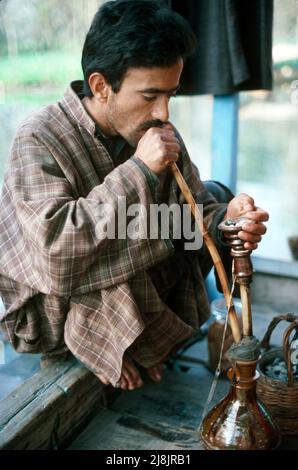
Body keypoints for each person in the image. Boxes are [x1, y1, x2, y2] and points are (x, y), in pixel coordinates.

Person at [0, 0, 268, 390]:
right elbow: (55, 257)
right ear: (100, 86)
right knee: (124, 246)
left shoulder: (157, 130)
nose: (162, 112)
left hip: (109, 268)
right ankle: (100, 342)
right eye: (149, 96)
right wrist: (139, 170)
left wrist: (228, 221)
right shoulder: (38, 137)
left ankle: (127, 338)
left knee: (209, 198)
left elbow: (190, 214)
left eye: (171, 95)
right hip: (53, 300)